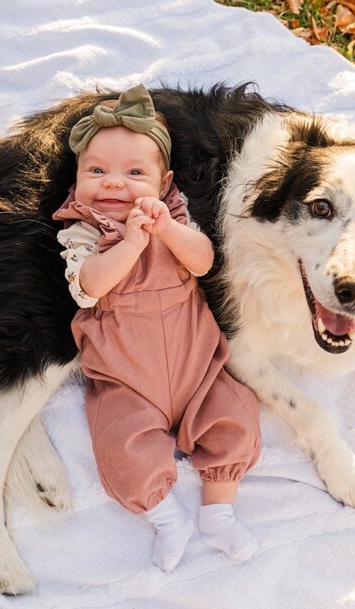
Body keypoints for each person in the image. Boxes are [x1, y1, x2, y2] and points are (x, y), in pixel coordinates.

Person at [53, 84, 263, 572]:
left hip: (197, 370)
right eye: (96, 171)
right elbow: (89, 286)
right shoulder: (83, 230)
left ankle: (217, 510)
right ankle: (168, 519)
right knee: (121, 445)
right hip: (128, 378)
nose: (113, 184)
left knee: (235, 415)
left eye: (134, 173)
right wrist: (128, 244)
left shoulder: (177, 215)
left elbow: (204, 261)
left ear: (163, 180)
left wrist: (166, 229)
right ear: (78, 178)